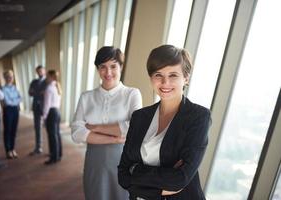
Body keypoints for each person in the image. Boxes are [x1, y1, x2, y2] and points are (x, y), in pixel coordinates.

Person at [118, 45, 211, 199]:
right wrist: (162, 181)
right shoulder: (140, 117)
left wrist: (136, 171)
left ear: (186, 78)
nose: (165, 82)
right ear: (151, 78)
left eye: (173, 75)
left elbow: (180, 179)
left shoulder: (198, 117)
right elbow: (122, 174)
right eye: (158, 74)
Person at [71, 46, 142, 200]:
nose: (108, 72)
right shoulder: (86, 97)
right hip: (94, 161)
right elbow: (76, 133)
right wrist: (114, 137)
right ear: (97, 69)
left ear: (121, 67)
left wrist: (95, 128)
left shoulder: (132, 94)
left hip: (124, 161)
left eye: (113, 66)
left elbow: (135, 128)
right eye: (103, 67)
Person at [43, 70, 62, 165]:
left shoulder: (49, 88)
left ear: (51, 77)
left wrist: (44, 117)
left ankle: (53, 157)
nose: (46, 78)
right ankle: (58, 154)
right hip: (57, 112)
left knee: (52, 136)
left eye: (47, 76)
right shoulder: (57, 86)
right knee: (57, 134)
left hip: (51, 113)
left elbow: (47, 105)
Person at [1, 70, 21, 159]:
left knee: (14, 130)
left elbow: (20, 98)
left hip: (15, 110)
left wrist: (13, 101)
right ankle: (8, 150)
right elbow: (6, 101)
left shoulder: (15, 88)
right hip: (8, 110)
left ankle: (13, 149)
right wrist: (14, 100)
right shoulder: (3, 89)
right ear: (5, 78)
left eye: (11, 76)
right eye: (8, 76)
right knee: (7, 130)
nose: (10, 78)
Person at [28, 65, 46, 155]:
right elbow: (30, 93)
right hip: (36, 107)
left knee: (50, 129)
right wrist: (38, 92)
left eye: (41, 71)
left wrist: (35, 92)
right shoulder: (34, 82)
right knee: (37, 128)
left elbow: (46, 93)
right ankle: (38, 147)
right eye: (38, 71)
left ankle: (52, 150)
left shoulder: (47, 82)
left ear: (44, 71)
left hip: (46, 108)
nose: (40, 73)